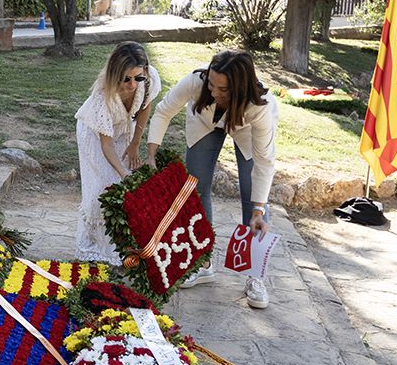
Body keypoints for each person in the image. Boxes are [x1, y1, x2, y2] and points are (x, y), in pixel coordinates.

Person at [146, 50, 278, 310]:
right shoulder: (197, 82)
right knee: (195, 186)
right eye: (211, 84)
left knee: (252, 196)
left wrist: (259, 210)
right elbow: (163, 112)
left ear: (238, 89)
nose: (214, 92)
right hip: (205, 124)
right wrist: (151, 152)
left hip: (246, 129)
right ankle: (203, 262)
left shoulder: (259, 107)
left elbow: (264, 163)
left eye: (223, 89)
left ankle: (255, 275)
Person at [75, 42, 162, 264]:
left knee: (123, 191)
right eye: (127, 79)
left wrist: (135, 143)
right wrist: (123, 172)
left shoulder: (148, 77)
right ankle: (95, 248)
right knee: (104, 186)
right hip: (95, 134)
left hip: (124, 128)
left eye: (138, 78)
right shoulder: (102, 97)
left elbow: (145, 107)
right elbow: (106, 145)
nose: (133, 84)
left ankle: (121, 245)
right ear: (116, 74)